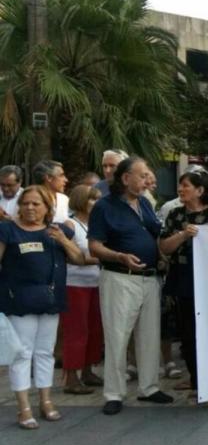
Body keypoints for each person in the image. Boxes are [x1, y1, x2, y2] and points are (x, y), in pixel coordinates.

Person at [88, 157, 173, 415]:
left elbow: (155, 233)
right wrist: (119, 256)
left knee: (149, 335)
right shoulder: (104, 207)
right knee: (117, 336)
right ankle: (114, 393)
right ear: (126, 178)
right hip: (119, 277)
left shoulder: (144, 203)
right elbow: (94, 246)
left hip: (149, 278)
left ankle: (149, 387)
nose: (148, 180)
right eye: (143, 175)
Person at [0, 186, 85, 429]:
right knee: (22, 353)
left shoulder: (56, 231)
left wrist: (63, 241)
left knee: (45, 352)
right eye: (25, 203)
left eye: (36, 204)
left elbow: (79, 258)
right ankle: (24, 406)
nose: (30, 208)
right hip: (20, 300)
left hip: (50, 300)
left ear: (48, 208)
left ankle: (46, 401)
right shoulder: (8, 230)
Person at [159, 171, 208, 395]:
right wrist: (183, 235)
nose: (180, 189)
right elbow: (164, 247)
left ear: (200, 190)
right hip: (183, 280)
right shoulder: (175, 215)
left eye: (186, 186)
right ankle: (196, 381)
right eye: (180, 185)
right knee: (188, 332)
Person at [60, 185, 105, 395]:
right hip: (75, 284)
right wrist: (102, 258)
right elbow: (72, 256)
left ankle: (88, 370)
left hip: (97, 283)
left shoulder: (96, 225)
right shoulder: (70, 224)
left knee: (95, 330)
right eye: (92, 199)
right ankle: (71, 377)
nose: (96, 203)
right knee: (76, 331)